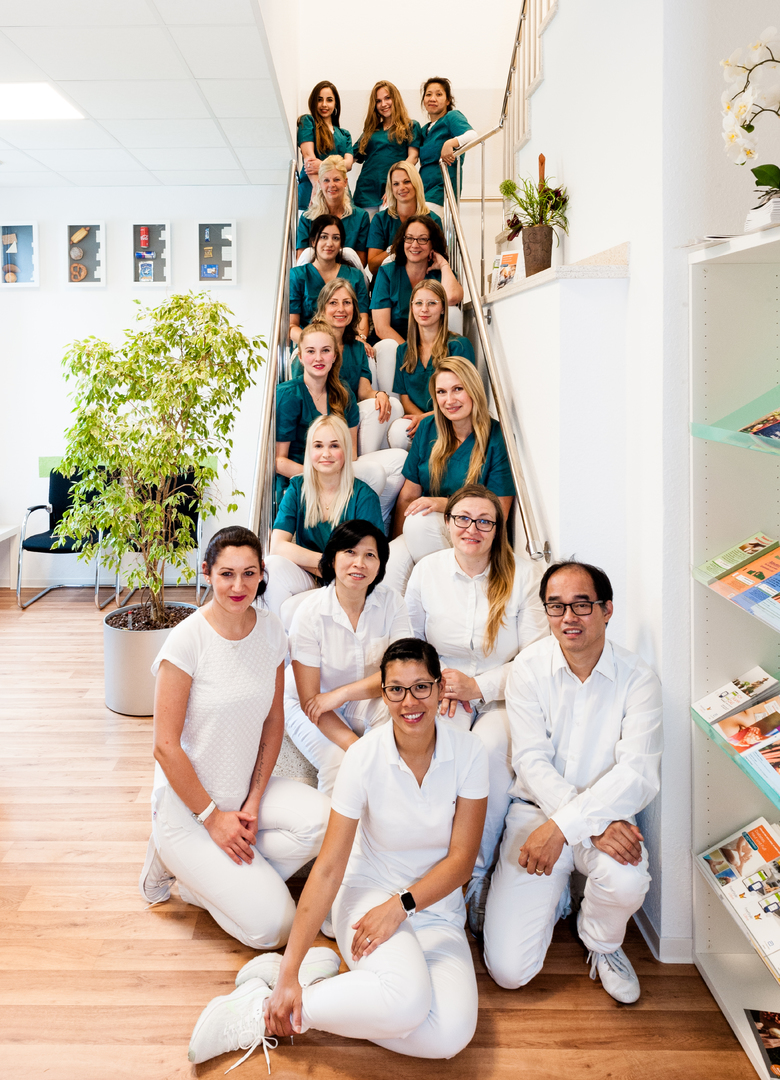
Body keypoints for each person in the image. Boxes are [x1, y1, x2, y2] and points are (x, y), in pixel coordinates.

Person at [187, 638, 489, 1069]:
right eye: (396, 690)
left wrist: (401, 906)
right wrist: (289, 971)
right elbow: (328, 869)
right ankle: (264, 1011)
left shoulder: (469, 753)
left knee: (450, 1036)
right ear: (383, 694)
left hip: (434, 910)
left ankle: (315, 993)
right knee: (407, 1003)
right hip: (368, 897)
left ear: (440, 688)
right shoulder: (363, 758)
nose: (409, 702)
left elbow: (461, 861)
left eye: (421, 687)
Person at [138, 526, 330, 951]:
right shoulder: (186, 641)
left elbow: (274, 720)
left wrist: (254, 800)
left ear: (262, 573)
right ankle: (176, 861)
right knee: (275, 928)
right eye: (226, 574)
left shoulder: (271, 629)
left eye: (249, 573)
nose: (238, 586)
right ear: (207, 572)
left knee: (325, 822)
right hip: (189, 808)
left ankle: (213, 878)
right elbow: (164, 747)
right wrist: (213, 819)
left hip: (241, 793)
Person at [482, 561, 663, 1004]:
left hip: (606, 817)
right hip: (537, 814)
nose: (568, 617)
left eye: (582, 605)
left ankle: (602, 941)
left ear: (607, 610)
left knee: (627, 881)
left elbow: (637, 774)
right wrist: (574, 823)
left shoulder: (639, 678)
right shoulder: (528, 669)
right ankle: (560, 895)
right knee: (509, 972)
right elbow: (530, 760)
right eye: (556, 606)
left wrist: (569, 826)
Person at [406, 485, 548, 936]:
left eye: (484, 521)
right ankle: (429, 871)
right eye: (463, 519)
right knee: (440, 755)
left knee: (488, 754)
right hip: (442, 690)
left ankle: (475, 875)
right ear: (448, 525)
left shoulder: (525, 575)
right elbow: (410, 642)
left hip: (505, 695)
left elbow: (535, 659)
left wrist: (480, 686)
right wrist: (434, 684)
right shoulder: (427, 571)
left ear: (497, 527)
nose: (473, 529)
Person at [284, 520, 411, 795]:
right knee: (341, 766)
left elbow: (402, 675)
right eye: (350, 552)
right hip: (309, 707)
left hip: (361, 698)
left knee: (396, 738)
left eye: (370, 555)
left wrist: (341, 695)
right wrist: (356, 747)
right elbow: (312, 701)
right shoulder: (309, 613)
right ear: (332, 558)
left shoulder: (393, 603)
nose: (359, 563)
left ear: (380, 565)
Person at [386, 356, 515, 593]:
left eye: (458, 389)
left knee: (419, 522)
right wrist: (398, 538)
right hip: (426, 526)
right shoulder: (427, 429)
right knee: (390, 564)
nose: (449, 400)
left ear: (474, 390)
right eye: (441, 392)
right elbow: (408, 496)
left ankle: (453, 596)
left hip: (473, 533)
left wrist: (444, 504)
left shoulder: (496, 438)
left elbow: (500, 512)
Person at [275, 322, 405, 529]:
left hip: (337, 467)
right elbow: (279, 461)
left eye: (325, 351)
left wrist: (335, 472)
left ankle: (371, 523)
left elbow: (351, 452)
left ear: (335, 356)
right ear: (300, 356)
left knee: (400, 461)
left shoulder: (342, 391)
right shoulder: (289, 394)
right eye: (311, 351)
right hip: (306, 472)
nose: (318, 358)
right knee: (375, 473)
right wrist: (320, 475)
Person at [264, 414, 384, 622]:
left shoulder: (364, 497)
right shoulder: (297, 487)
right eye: (318, 446)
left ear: (345, 450)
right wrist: (326, 564)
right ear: (309, 451)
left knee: (291, 610)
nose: (326, 454)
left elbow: (366, 558)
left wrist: (326, 566)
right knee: (272, 565)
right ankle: (276, 638)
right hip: (313, 574)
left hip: (349, 581)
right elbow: (278, 546)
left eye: (334, 446)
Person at [292, 279, 405, 454]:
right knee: (374, 410)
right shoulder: (311, 349)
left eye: (347, 302)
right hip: (321, 418)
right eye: (333, 303)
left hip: (350, 414)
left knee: (393, 405)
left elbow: (364, 391)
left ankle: (363, 459)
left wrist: (380, 394)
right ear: (322, 308)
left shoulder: (357, 347)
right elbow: (301, 396)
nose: (341, 309)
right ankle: (357, 460)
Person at [371, 216, 463, 395]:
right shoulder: (388, 272)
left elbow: (452, 297)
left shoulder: (439, 274)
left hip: (432, 343)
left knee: (453, 313)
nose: (415, 245)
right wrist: (412, 351)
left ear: (432, 244)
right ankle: (394, 404)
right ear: (402, 240)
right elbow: (381, 327)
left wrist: (443, 264)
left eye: (422, 239)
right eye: (409, 238)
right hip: (396, 343)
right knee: (389, 347)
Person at [389, 279, 475, 450]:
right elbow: (405, 399)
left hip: (451, 417)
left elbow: (467, 395)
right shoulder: (403, 351)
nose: (424, 309)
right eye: (419, 303)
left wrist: (429, 418)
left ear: (443, 308)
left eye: (432, 303)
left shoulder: (459, 345)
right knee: (399, 432)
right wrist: (422, 420)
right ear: (412, 307)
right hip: (418, 420)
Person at [289, 216, 369, 345]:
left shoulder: (355, 275)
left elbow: (362, 316)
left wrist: (360, 339)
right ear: (313, 241)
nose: (329, 243)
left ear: (341, 243)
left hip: (347, 343)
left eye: (335, 238)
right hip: (311, 346)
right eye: (323, 237)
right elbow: (292, 325)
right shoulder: (297, 276)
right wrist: (315, 343)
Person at [352, 82, 421, 216]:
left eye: (387, 98)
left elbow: (413, 157)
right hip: (366, 191)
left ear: (395, 99)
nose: (383, 104)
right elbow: (350, 157)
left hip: (393, 190)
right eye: (378, 101)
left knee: (391, 227)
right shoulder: (371, 131)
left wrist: (393, 186)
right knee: (366, 229)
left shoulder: (410, 126)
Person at [367, 162, 442, 275]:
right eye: (396, 184)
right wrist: (395, 248)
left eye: (407, 182)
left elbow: (438, 262)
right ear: (391, 188)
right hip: (389, 281)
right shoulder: (381, 220)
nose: (401, 188)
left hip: (423, 281)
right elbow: (373, 267)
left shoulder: (433, 220)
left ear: (416, 183)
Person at [418, 77, 477, 214]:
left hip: (442, 190)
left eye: (439, 94)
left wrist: (450, 143)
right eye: (428, 94)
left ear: (448, 100)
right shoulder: (424, 130)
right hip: (423, 190)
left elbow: (472, 135)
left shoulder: (451, 117)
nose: (432, 98)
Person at [296, 156, 370, 265]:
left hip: (348, 272)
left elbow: (360, 262)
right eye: (326, 180)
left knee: (349, 253)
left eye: (336, 179)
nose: (331, 185)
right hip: (315, 272)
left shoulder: (361, 217)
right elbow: (301, 260)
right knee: (308, 253)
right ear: (320, 183)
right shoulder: (307, 217)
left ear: (345, 182)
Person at [297, 82, 353, 213]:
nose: (324, 104)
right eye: (319, 100)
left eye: (329, 100)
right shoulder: (307, 121)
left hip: (339, 193)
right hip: (312, 190)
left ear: (335, 103)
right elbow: (309, 159)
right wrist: (317, 187)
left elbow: (348, 164)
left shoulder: (344, 134)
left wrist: (321, 165)